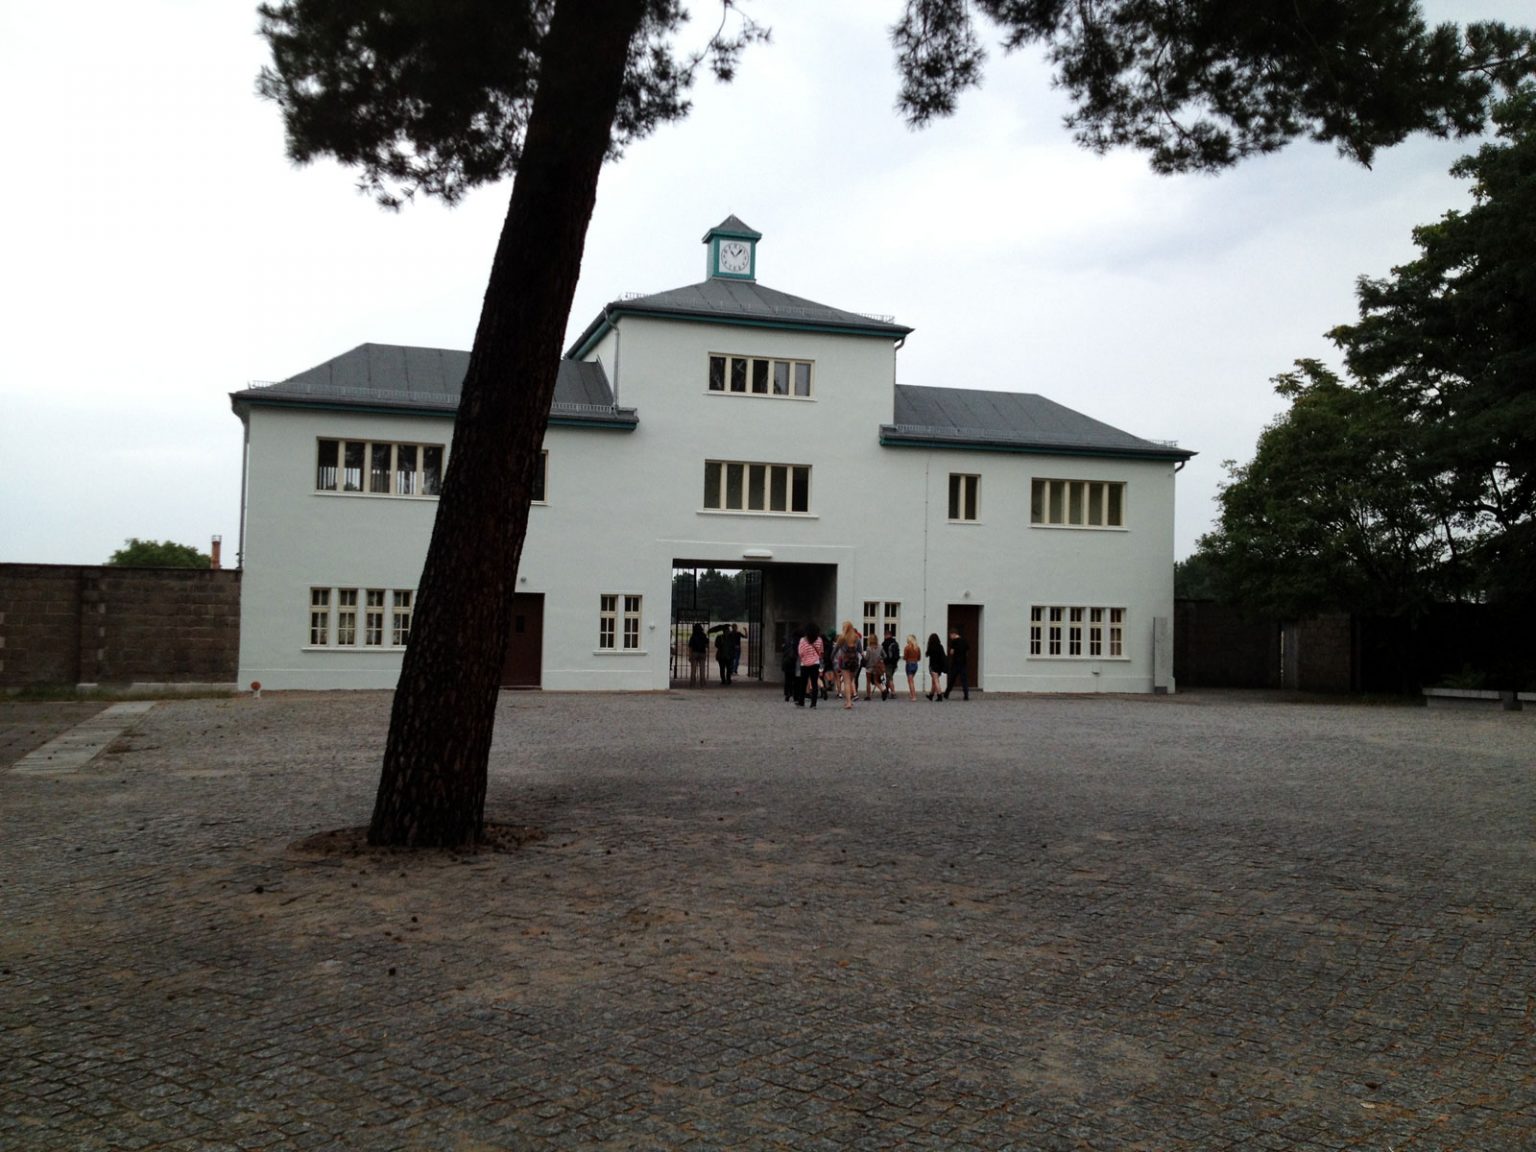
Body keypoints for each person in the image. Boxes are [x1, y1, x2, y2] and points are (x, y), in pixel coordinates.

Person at [834, 621, 862, 709]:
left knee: (846, 682)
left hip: (844, 661)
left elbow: (835, 650)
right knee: (850, 680)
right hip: (854, 662)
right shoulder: (856, 637)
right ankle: (850, 699)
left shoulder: (842, 638)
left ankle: (848, 702)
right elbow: (860, 650)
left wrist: (831, 658)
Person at [796, 624, 824, 708]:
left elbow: (800, 653)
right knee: (814, 683)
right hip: (815, 663)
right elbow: (821, 651)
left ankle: (801, 702)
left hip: (804, 664)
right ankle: (813, 703)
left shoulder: (802, 640)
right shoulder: (819, 640)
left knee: (803, 683)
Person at [945, 628, 970, 700]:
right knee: (964, 680)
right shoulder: (964, 640)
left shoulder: (954, 642)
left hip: (956, 663)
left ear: (953, 634)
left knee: (952, 679)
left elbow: (951, 652)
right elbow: (967, 651)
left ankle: (946, 694)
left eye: (950, 636)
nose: (950, 637)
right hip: (963, 663)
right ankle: (966, 695)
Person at [864, 633, 887, 701]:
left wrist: (863, 657)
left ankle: (868, 696)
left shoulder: (868, 648)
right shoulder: (880, 647)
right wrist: (880, 659)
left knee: (868, 681)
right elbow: (885, 656)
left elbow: (866, 658)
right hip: (877, 667)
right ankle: (883, 690)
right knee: (876, 681)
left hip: (869, 667)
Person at [925, 632, 948, 702]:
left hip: (933, 665)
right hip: (939, 666)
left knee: (936, 680)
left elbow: (927, 654)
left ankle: (939, 695)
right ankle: (931, 695)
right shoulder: (940, 646)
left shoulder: (931, 647)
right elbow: (943, 656)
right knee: (934, 681)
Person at [781, 626, 801, 701]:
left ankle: (787, 693)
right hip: (795, 662)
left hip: (786, 661)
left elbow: (783, 650)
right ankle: (795, 695)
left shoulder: (787, 640)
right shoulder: (799, 641)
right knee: (796, 679)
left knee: (787, 679)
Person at [687, 622, 708, 688]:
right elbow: (707, 645)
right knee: (702, 670)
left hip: (694, 653)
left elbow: (690, 647)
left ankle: (692, 684)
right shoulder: (704, 635)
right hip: (702, 653)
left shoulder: (693, 636)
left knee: (693, 670)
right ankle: (702, 684)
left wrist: (690, 655)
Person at [903, 634, 922, 701]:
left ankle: (914, 696)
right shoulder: (917, 648)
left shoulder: (907, 648)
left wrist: (906, 658)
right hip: (915, 665)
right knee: (910, 680)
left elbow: (905, 657)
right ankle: (911, 694)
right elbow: (919, 658)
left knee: (910, 681)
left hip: (909, 664)